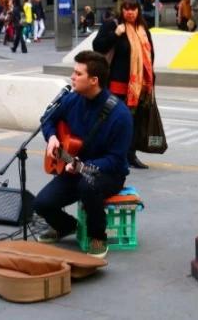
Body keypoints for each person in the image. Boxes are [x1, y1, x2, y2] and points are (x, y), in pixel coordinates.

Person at [34, 50, 133, 259]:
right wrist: (51, 137)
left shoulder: (120, 115)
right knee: (41, 204)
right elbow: (47, 119)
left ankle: (98, 236)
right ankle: (67, 226)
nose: (72, 77)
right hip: (73, 168)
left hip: (108, 174)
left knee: (88, 186)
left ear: (94, 80)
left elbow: (116, 160)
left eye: (78, 74)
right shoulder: (72, 99)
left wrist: (84, 167)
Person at [93, 0, 155, 169]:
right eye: (126, 8)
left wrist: (150, 80)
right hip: (117, 85)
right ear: (122, 9)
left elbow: (150, 55)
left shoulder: (143, 29)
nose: (130, 12)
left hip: (139, 86)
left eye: (133, 8)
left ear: (138, 10)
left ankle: (130, 155)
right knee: (116, 121)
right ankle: (112, 155)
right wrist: (115, 34)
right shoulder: (114, 25)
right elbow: (97, 46)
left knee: (134, 122)